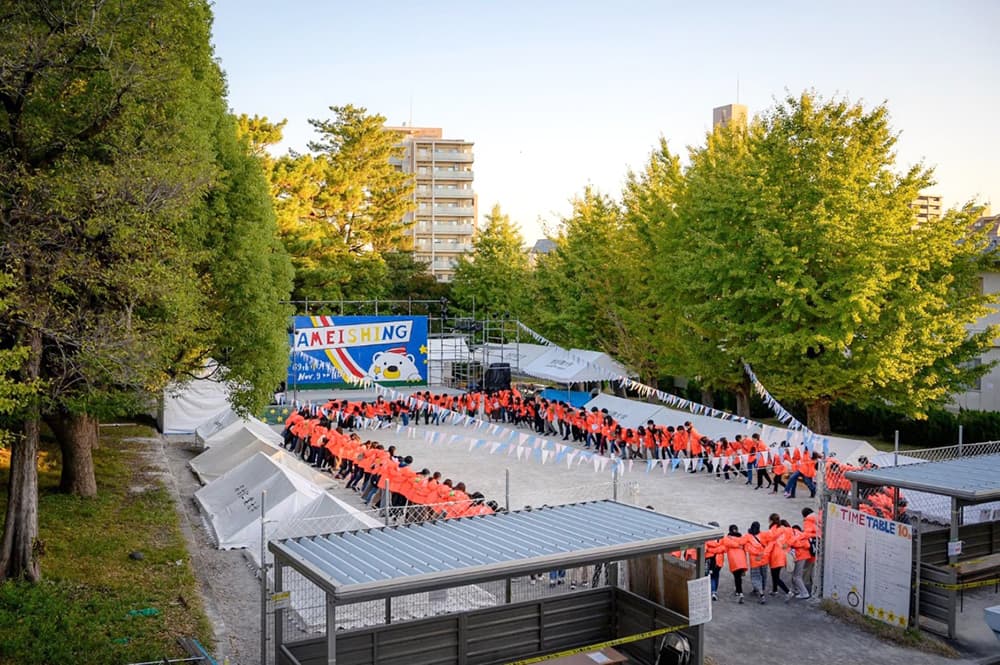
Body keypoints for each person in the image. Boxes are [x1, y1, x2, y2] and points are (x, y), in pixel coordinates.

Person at [720, 524, 748, 604]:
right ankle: (738, 591)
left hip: (734, 560)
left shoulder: (727, 539)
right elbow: (744, 543)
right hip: (742, 560)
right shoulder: (742, 538)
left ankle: (740, 592)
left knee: (737, 577)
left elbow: (725, 547)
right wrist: (738, 545)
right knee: (739, 577)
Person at [745, 521, 770, 604]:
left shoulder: (748, 537)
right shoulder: (764, 535)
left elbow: (747, 548)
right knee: (763, 576)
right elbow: (769, 545)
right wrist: (762, 554)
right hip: (764, 560)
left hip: (755, 561)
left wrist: (757, 554)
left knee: (756, 577)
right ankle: (760, 589)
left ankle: (761, 594)